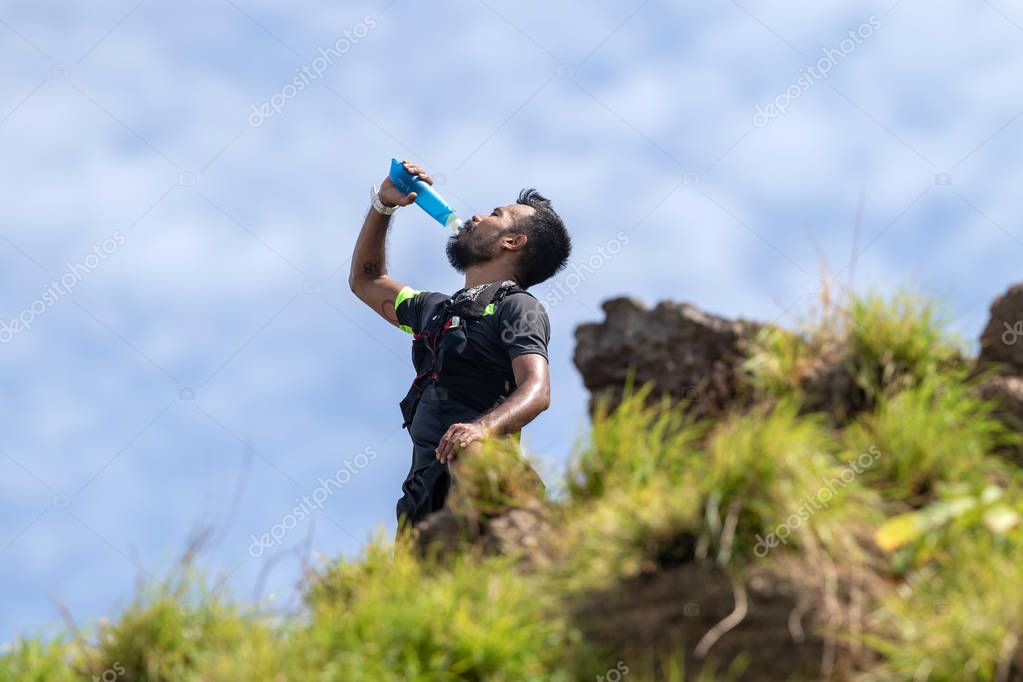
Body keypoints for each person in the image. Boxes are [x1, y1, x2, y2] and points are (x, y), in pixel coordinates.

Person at [348, 160, 571, 530]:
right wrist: (383, 207)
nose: (478, 216)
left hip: (485, 487)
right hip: (422, 507)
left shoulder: (517, 306)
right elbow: (366, 280)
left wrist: (482, 429)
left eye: (496, 215)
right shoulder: (433, 309)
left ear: (512, 242)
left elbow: (537, 389)